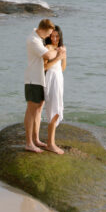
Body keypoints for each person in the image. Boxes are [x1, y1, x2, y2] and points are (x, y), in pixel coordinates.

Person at [24, 18, 64, 153]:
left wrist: (57, 53)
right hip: (33, 79)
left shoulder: (38, 37)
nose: (49, 37)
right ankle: (29, 143)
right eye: (48, 34)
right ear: (43, 29)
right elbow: (48, 54)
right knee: (31, 110)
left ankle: (35, 140)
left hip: (41, 79)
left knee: (38, 109)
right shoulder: (34, 40)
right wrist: (59, 54)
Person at [43, 25, 66, 154]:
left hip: (59, 79)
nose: (54, 38)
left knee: (58, 108)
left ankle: (51, 142)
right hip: (51, 79)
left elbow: (63, 67)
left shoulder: (62, 48)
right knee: (54, 109)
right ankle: (50, 143)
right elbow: (44, 67)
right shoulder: (47, 48)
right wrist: (57, 57)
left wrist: (62, 55)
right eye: (52, 36)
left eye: (57, 36)